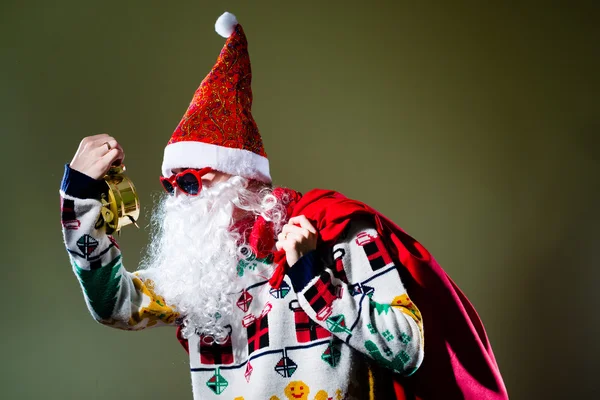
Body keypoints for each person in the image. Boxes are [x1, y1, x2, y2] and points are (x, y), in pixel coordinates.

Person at [60, 12, 507, 400]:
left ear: (236, 180)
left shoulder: (338, 234)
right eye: (172, 185)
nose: (179, 201)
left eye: (191, 182)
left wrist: (316, 284)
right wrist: (80, 200)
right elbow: (115, 304)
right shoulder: (200, 273)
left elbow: (408, 348)